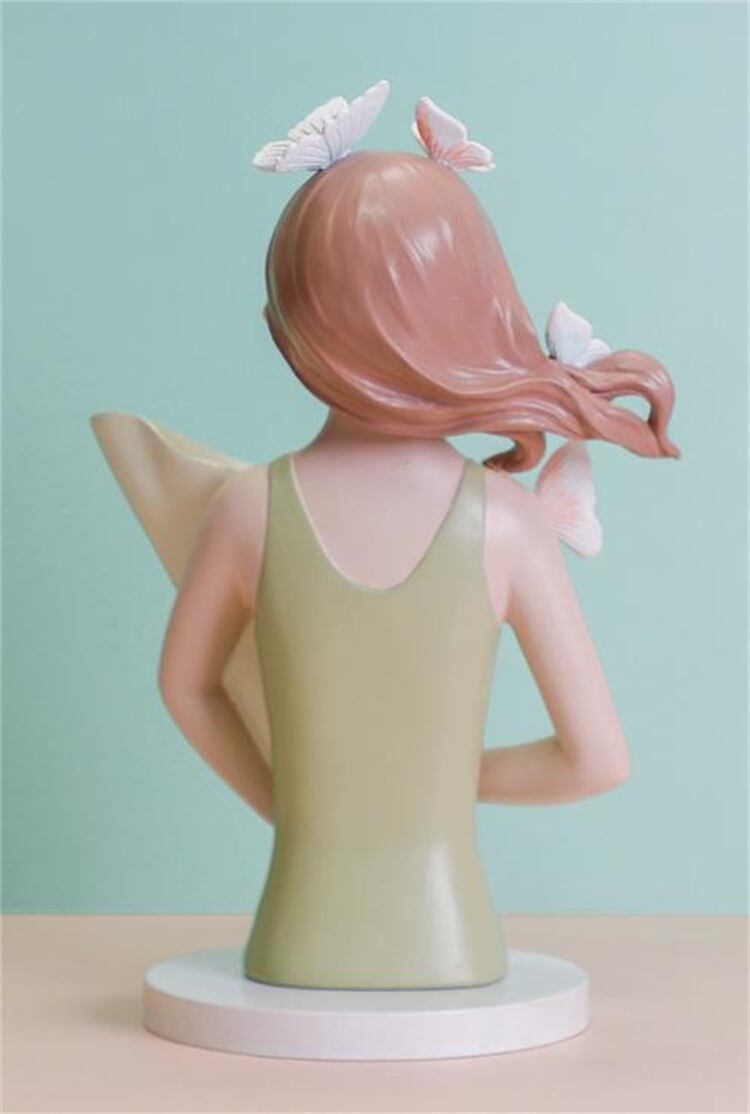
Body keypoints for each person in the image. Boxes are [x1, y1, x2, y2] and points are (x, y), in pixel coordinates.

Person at [94, 81, 679, 990]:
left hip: (297, 938)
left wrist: (298, 804)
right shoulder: (508, 525)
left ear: (288, 329)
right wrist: (438, 783)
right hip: (450, 942)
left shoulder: (248, 509)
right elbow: (597, 761)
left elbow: (187, 688)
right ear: (479, 315)